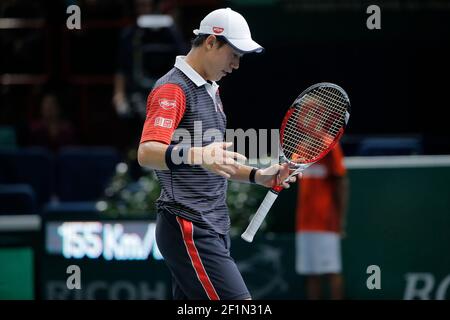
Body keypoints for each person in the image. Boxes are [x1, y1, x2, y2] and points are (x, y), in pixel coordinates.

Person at [137, 8, 296, 300]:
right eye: (233, 55)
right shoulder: (172, 89)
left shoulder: (211, 90)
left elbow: (216, 160)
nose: (236, 65)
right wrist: (198, 154)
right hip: (187, 225)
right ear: (211, 42)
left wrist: (258, 176)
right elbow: (147, 153)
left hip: (211, 226)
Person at [295, 142, 349, 300]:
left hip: (326, 223)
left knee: (331, 272)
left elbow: (341, 182)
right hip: (304, 223)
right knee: (311, 273)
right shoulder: (301, 147)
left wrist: (340, 219)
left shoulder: (330, 146)